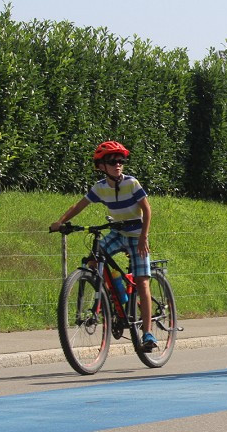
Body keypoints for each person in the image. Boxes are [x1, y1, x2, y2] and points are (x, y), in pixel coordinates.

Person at [50, 141, 157, 350]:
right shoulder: (99, 188)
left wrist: (144, 237)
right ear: (101, 166)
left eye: (121, 161)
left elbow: (147, 209)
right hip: (117, 232)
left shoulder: (131, 183)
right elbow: (79, 205)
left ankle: (148, 334)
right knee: (92, 260)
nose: (118, 164)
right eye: (112, 161)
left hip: (136, 235)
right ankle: (116, 296)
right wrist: (60, 222)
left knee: (142, 281)